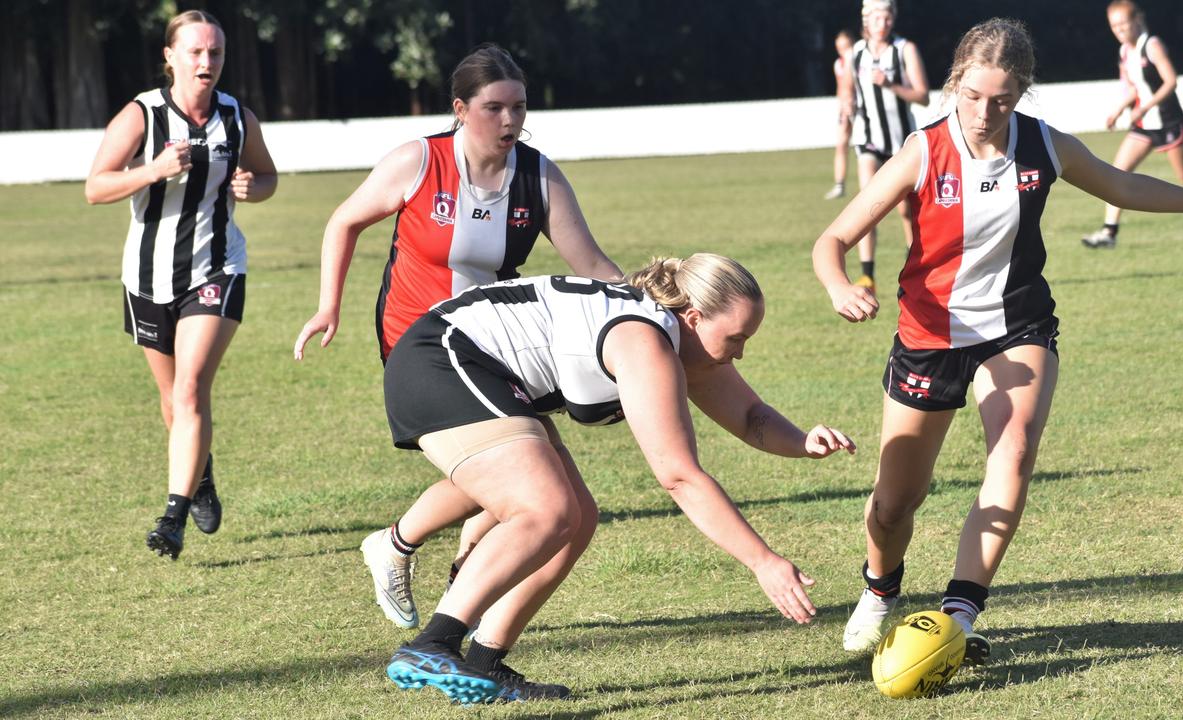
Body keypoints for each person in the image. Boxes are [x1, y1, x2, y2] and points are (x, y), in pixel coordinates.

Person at [813, 17, 1183, 664]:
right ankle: (878, 588)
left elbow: (1124, 186)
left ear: (1021, 93)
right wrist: (838, 285)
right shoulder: (924, 150)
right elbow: (831, 239)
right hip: (930, 334)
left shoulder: (1043, 145)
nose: (983, 112)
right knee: (894, 505)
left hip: (1017, 324)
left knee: (1015, 450)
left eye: (1000, 100)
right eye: (972, 96)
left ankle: (959, 616)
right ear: (954, 83)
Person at [379, 255, 855, 703]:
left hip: (481, 370)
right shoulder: (645, 341)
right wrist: (763, 562)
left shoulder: (683, 343)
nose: (741, 352)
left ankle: (485, 662)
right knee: (546, 510)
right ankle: (433, 645)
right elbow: (679, 477)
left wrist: (801, 440)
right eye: (735, 338)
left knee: (577, 518)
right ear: (693, 317)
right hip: (443, 358)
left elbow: (750, 416)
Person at [292, 45, 622, 628]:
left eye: (519, 108)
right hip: (423, 345)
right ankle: (402, 547)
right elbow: (343, 221)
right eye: (494, 108)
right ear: (460, 109)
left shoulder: (537, 174)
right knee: (530, 471)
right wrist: (328, 305)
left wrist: (656, 303)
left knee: (539, 482)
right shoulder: (419, 162)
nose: (510, 121)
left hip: (499, 345)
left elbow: (592, 265)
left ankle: (454, 564)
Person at [85, 10, 278, 560]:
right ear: (169, 57)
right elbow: (95, 188)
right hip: (146, 277)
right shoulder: (141, 115)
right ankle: (202, 474)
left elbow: (266, 177)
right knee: (172, 400)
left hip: (216, 269)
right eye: (194, 52)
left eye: (215, 53)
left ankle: (171, 519)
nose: (206, 62)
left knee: (192, 389)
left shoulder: (237, 119)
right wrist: (154, 170)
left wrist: (251, 185)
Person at [1081, 1, 1183, 248]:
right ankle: (1109, 234)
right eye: (1114, 26)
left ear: (1137, 20)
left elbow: (1171, 81)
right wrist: (1118, 109)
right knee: (1116, 174)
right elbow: (1137, 86)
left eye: (1123, 24)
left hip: (1169, 121)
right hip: (1143, 125)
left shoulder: (1152, 45)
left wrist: (1144, 106)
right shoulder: (1124, 52)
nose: (1119, 31)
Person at [825, 0, 930, 296]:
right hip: (868, 139)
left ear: (892, 19)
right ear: (866, 21)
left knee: (907, 211)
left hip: (902, 144)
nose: (881, 23)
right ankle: (867, 276)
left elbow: (922, 96)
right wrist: (846, 105)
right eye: (875, 17)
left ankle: (916, 268)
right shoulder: (855, 53)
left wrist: (891, 85)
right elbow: (846, 89)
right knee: (868, 204)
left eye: (886, 17)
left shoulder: (904, 49)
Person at [825, 29, 857, 201]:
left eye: (845, 46)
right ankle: (839, 185)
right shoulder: (839, 64)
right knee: (841, 145)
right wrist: (841, 106)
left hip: (860, 108)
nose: (842, 50)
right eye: (839, 47)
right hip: (845, 108)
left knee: (864, 148)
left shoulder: (859, 59)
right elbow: (842, 87)